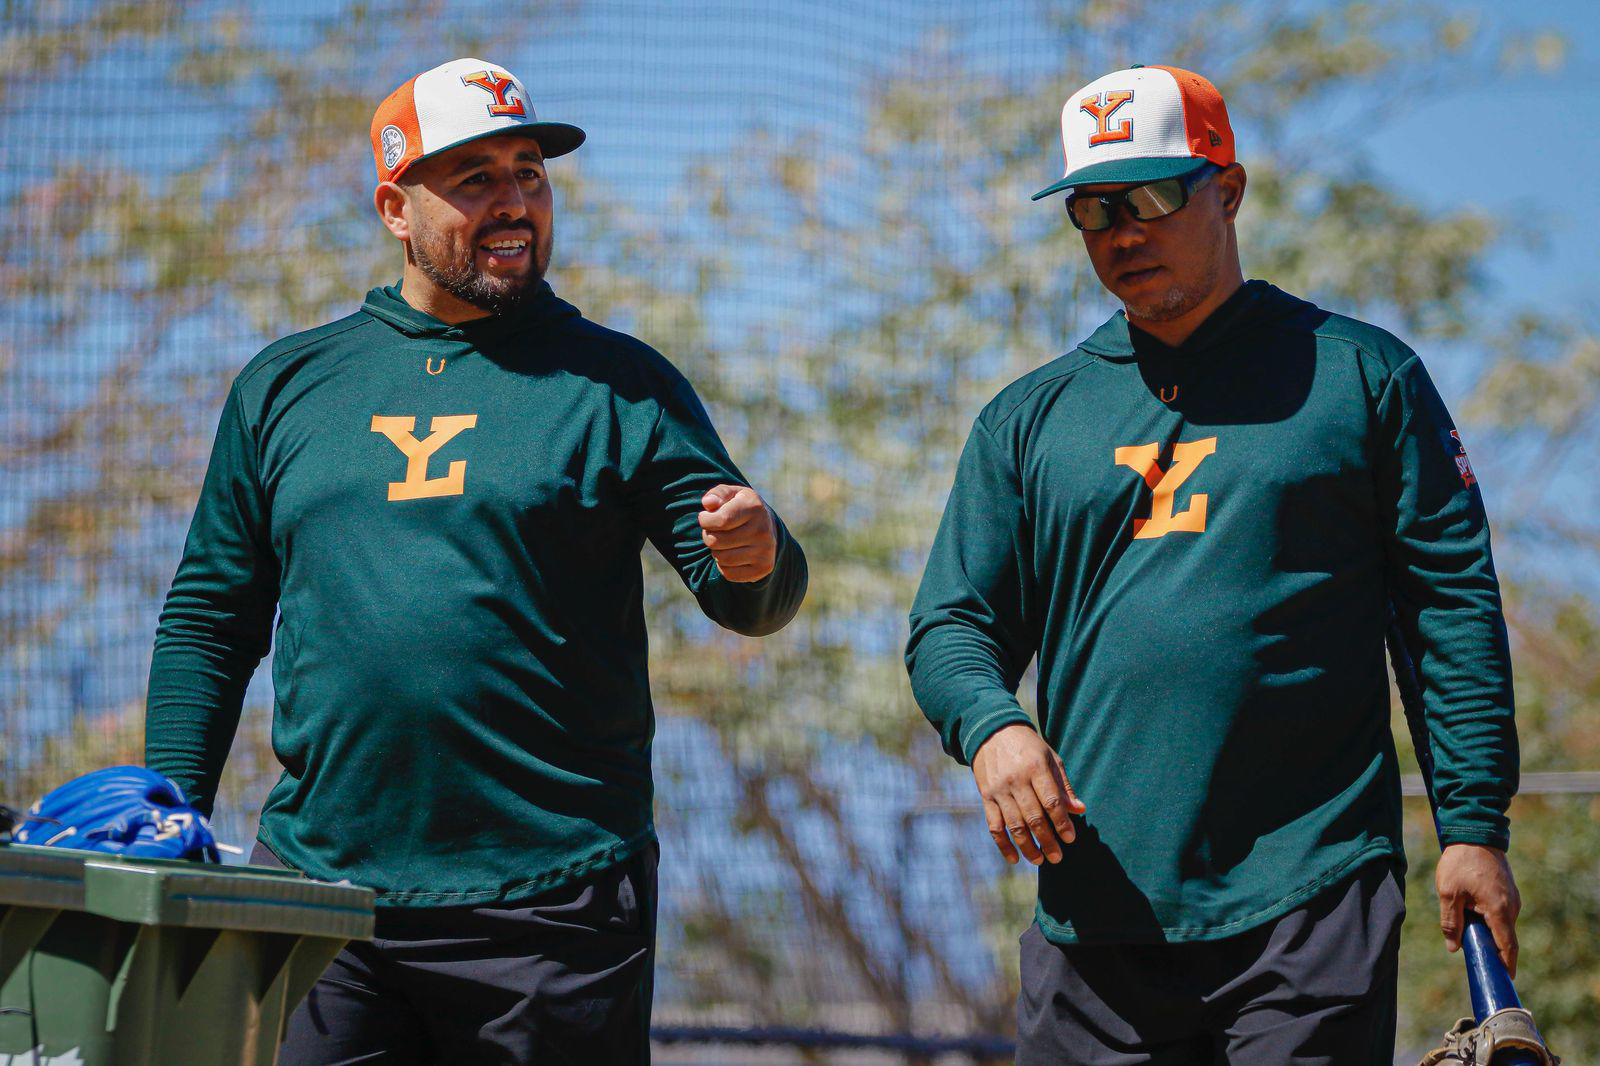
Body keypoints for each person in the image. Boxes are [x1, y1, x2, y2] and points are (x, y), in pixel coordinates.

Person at [144, 57, 807, 1064]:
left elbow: (747, 599)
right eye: (475, 178)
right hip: (323, 898)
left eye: (529, 173)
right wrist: (165, 818)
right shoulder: (285, 385)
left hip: (554, 903)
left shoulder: (619, 383)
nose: (513, 202)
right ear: (394, 209)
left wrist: (755, 556)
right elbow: (210, 618)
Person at [905, 64, 1520, 1064]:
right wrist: (993, 727)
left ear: (1227, 190)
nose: (1122, 232)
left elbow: (1446, 609)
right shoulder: (1027, 419)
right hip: (1092, 920)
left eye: (1151, 196)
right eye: (1093, 208)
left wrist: (1473, 824)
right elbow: (950, 626)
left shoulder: (1361, 377)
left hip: (1309, 901)